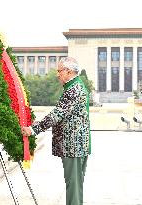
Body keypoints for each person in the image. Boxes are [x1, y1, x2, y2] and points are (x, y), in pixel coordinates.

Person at [22, 57, 91, 205]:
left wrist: (33, 129)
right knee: (75, 186)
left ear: (69, 71)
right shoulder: (75, 86)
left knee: (74, 187)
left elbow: (57, 114)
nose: (58, 74)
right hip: (75, 146)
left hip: (73, 146)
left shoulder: (74, 89)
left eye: (59, 71)